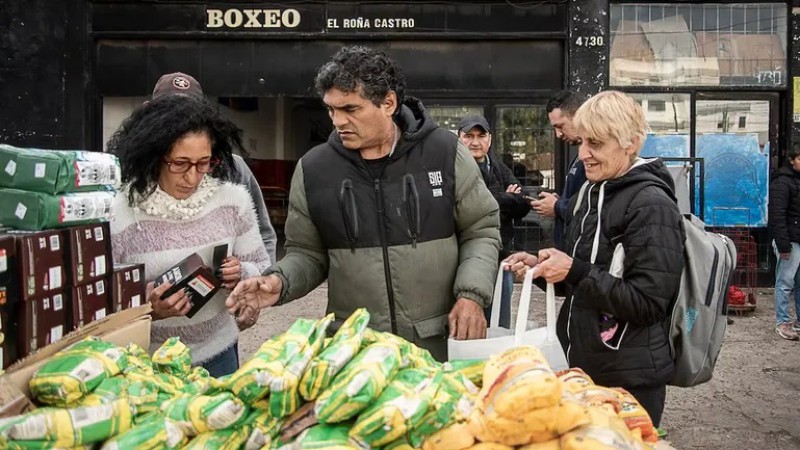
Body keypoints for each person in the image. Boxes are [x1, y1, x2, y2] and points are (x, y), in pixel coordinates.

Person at [225, 45, 501, 361]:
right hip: (356, 354)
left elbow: (481, 230)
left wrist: (472, 296)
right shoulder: (314, 169)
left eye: (350, 109)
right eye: (331, 110)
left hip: (436, 346)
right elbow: (308, 253)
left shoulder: (445, 152)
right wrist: (278, 281)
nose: (337, 121)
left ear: (388, 103)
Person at [504, 91, 685, 428]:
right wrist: (542, 269)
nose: (583, 154)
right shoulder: (590, 191)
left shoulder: (651, 205)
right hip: (583, 369)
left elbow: (648, 302)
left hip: (628, 380)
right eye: (582, 142)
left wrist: (573, 269)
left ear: (630, 143)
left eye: (596, 144)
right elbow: (582, 280)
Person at [108, 95, 271, 377]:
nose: (193, 177)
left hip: (219, 356)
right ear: (154, 156)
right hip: (149, 364)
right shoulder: (121, 211)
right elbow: (102, 299)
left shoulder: (234, 201)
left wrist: (241, 273)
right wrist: (149, 309)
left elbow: (261, 266)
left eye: (204, 163)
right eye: (180, 163)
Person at [151, 72, 278, 264]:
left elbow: (263, 233)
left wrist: (261, 279)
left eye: (203, 164)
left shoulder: (233, 168)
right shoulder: (134, 170)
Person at [459, 114, 529, 327]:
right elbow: (467, 209)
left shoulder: (498, 167)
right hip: (466, 261)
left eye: (481, 136)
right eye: (468, 136)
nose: (475, 142)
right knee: (469, 323)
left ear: (489, 139)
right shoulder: (455, 169)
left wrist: (497, 199)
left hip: (502, 258)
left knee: (500, 323)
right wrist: (505, 198)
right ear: (459, 139)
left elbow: (523, 204)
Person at [531, 90, 587, 250]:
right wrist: (560, 201)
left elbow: (593, 209)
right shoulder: (578, 158)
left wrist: (557, 206)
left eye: (560, 126)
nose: (558, 134)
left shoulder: (594, 162)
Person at [767, 143, 800, 341]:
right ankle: (783, 322)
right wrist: (783, 245)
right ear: (792, 160)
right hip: (789, 241)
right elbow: (777, 215)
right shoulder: (782, 182)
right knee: (785, 283)